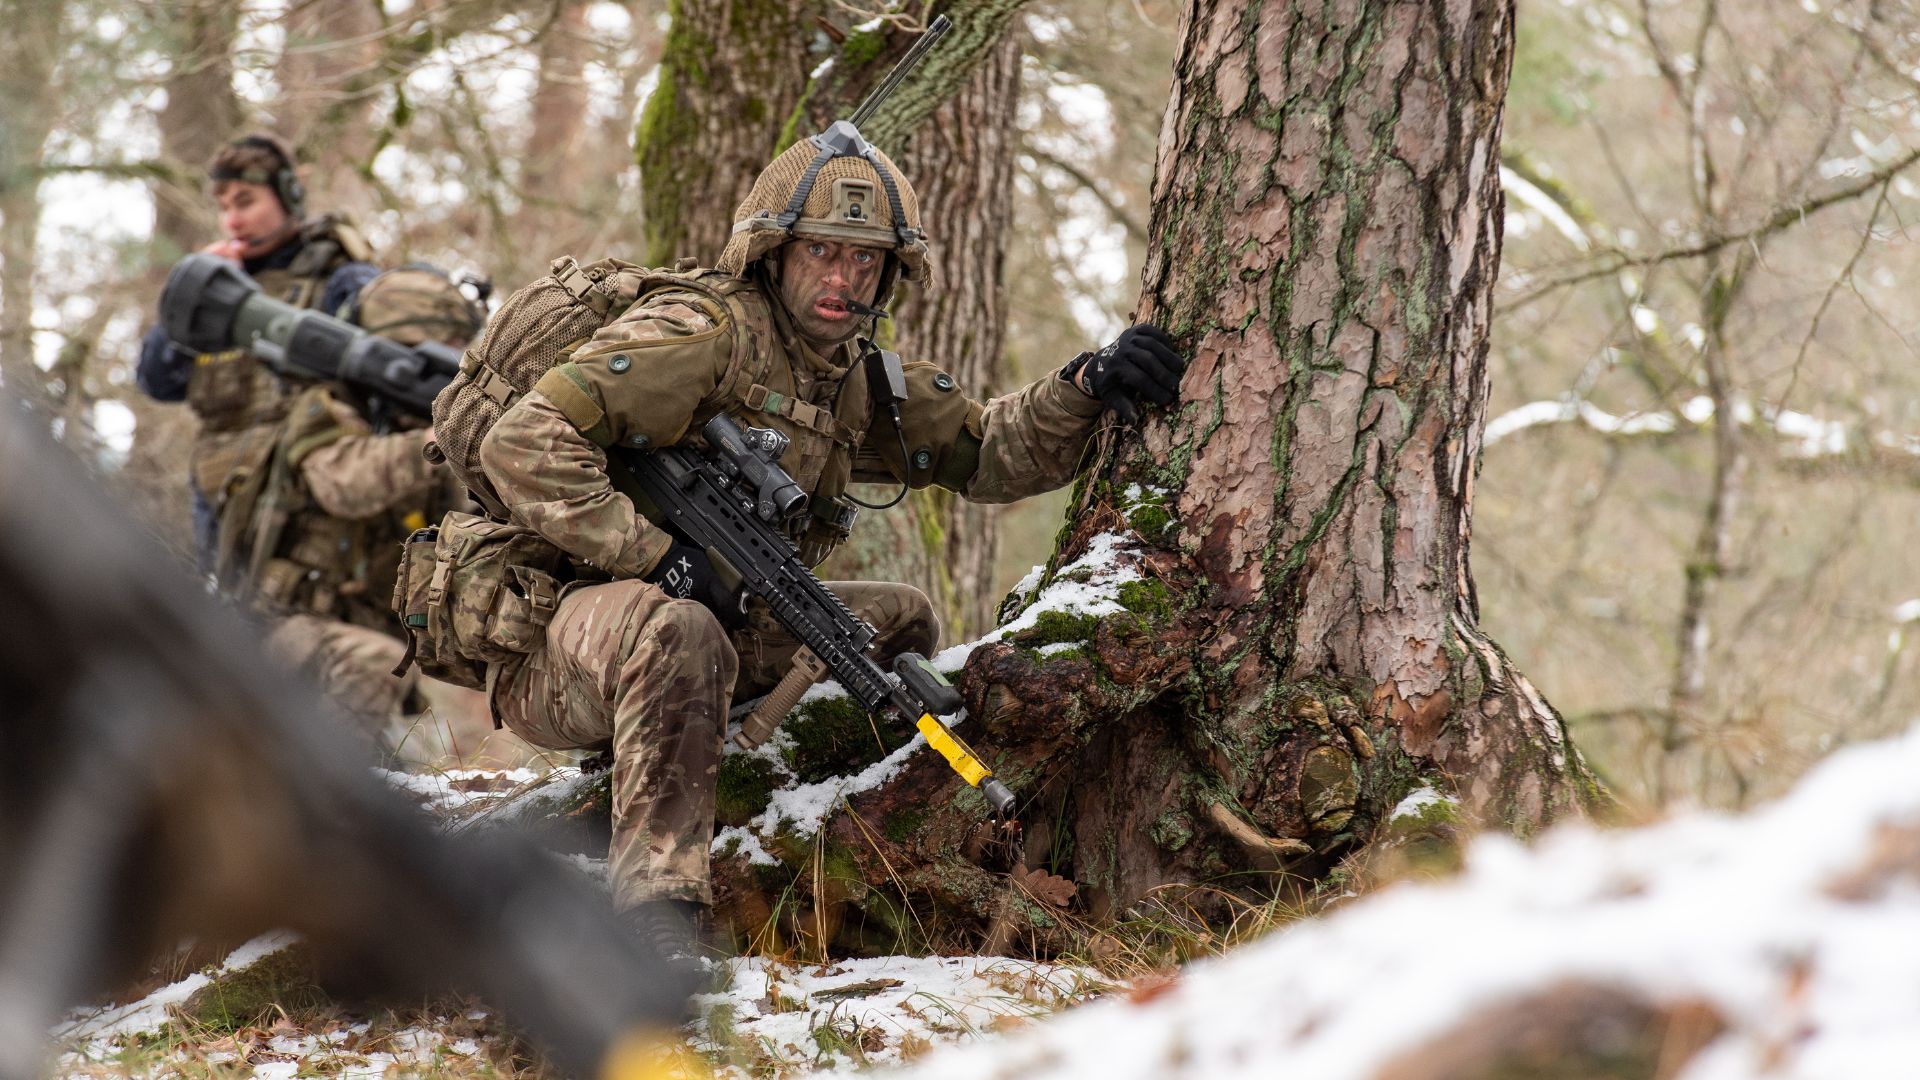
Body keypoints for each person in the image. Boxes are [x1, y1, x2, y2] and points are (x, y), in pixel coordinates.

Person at [468, 134, 1185, 959]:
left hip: (710, 624)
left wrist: (1087, 385)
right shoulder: (699, 334)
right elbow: (522, 442)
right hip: (559, 643)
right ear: (774, 254)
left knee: (896, 622)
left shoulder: (855, 378)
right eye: (822, 252)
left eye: (866, 260)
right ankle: (656, 915)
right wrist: (651, 556)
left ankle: (788, 826)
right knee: (679, 631)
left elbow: (991, 454)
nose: (844, 279)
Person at [248, 266, 487, 750]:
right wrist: (435, 441)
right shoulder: (327, 406)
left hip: (370, 647)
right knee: (372, 665)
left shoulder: (432, 435)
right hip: (282, 629)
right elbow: (342, 484)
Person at [136, 134, 378, 570]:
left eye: (245, 202)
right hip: (221, 513)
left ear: (289, 195)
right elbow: (157, 381)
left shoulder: (340, 276)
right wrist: (191, 296)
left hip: (312, 515)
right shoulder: (216, 281)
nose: (232, 220)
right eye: (224, 207)